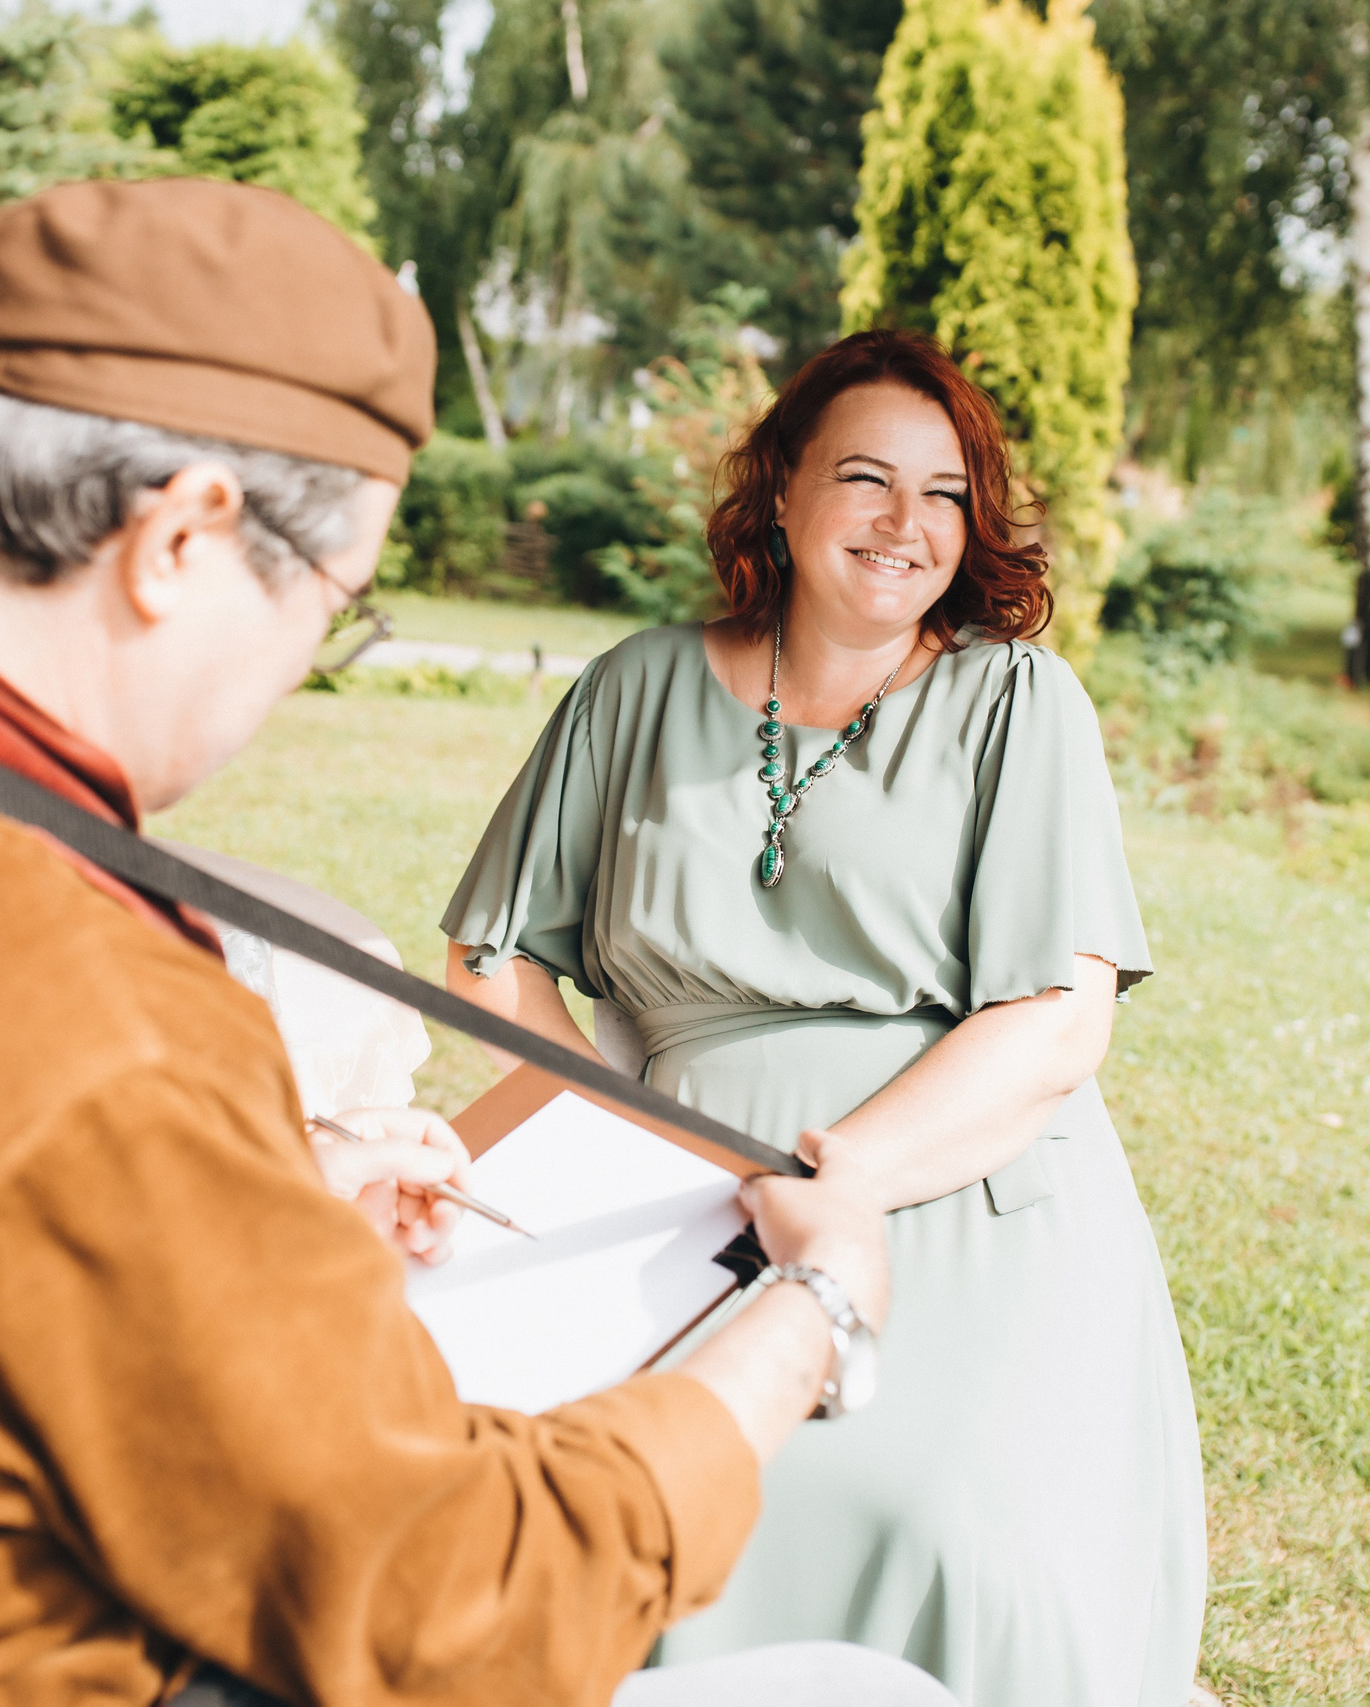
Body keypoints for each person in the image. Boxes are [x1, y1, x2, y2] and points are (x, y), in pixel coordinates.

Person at [0, 178, 949, 1707]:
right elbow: (470, 1608)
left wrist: (241, 1179)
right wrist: (804, 1322)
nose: (296, 670)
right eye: (335, 602)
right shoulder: (68, 999)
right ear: (183, 535)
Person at [442, 329, 1208, 1703]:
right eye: (864, 477)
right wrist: (624, 1134)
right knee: (609, 1483)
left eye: (945, 492)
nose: (904, 524)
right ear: (782, 491)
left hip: (957, 1185)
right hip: (672, 1193)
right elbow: (493, 955)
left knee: (939, 1522)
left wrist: (837, 1174)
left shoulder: (1016, 702)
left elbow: (1054, 1021)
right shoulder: (635, 686)